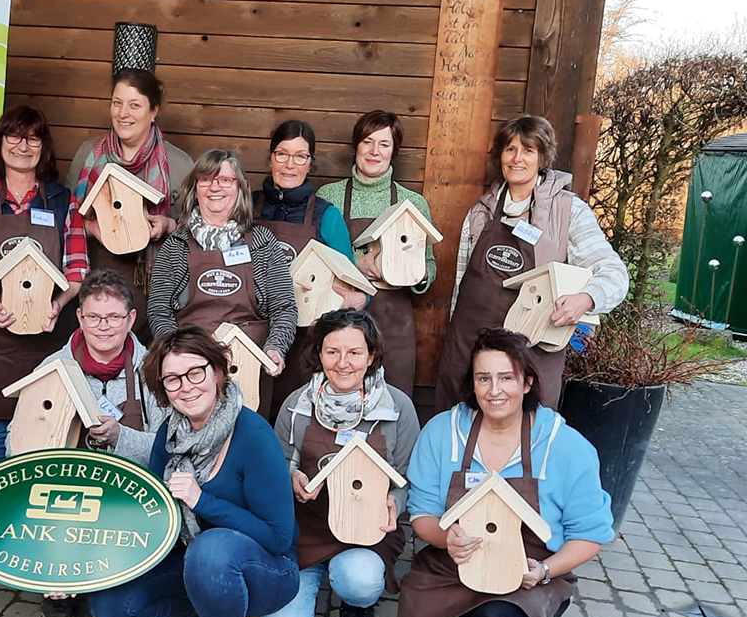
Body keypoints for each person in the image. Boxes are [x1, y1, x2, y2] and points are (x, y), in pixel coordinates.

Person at [88, 327, 298, 617]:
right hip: (196, 564)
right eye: (172, 379)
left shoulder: (253, 435)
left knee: (212, 548)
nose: (185, 387)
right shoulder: (169, 433)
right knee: (111, 606)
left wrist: (203, 501)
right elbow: (154, 520)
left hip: (269, 571)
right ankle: (212, 614)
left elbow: (278, 536)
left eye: (195, 372)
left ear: (218, 372)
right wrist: (75, 572)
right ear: (162, 388)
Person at [396, 329, 613, 617]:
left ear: (528, 382)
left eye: (506, 377)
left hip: (527, 574)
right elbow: (423, 513)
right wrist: (446, 539)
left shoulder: (565, 446)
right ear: (473, 384)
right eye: (484, 378)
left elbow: (591, 533)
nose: (495, 390)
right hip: (451, 568)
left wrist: (545, 571)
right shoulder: (443, 433)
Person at [434, 115, 628, 412]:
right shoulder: (481, 211)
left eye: (528, 150)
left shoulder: (568, 211)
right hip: (469, 346)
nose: (517, 159)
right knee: (458, 429)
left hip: (532, 351)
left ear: (542, 158)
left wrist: (587, 298)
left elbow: (613, 273)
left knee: (523, 433)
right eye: (510, 149)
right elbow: (462, 284)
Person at [10, 268, 167, 617]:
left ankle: (110, 575)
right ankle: (56, 580)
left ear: (130, 319)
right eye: (94, 317)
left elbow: (168, 450)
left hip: (131, 495)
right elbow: (16, 449)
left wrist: (119, 438)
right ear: (79, 317)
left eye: (113, 317)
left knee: (113, 604)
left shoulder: (155, 372)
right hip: (68, 495)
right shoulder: (53, 368)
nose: (103, 326)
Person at [261, 309, 419, 617]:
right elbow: (277, 467)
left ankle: (356, 607)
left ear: (372, 355)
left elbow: (407, 478)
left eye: (354, 352)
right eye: (332, 352)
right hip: (308, 530)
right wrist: (293, 479)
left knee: (360, 580)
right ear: (319, 354)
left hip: (367, 532)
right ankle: (306, 579)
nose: (343, 363)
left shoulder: (397, 409)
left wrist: (397, 502)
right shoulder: (297, 406)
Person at [0, 104, 88, 469]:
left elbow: (77, 270)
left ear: (43, 147)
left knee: (50, 425)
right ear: (0, 142)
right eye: (14, 136)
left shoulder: (63, 201)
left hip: (49, 334)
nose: (22, 146)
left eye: (32, 138)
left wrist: (59, 304)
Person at [148, 149, 297, 416]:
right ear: (195, 188)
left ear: (239, 189)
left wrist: (275, 348)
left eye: (226, 180)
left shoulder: (263, 243)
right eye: (206, 179)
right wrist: (176, 357)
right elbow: (159, 310)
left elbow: (284, 307)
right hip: (191, 375)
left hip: (249, 371)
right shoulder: (175, 247)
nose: (215, 187)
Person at [69, 68, 194, 342]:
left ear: (153, 111)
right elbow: (65, 220)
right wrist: (90, 227)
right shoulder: (88, 155)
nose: (123, 113)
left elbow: (198, 230)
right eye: (117, 103)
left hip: (153, 286)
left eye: (135, 105)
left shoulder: (179, 164)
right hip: (96, 284)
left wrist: (169, 225)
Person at [319, 110, 437, 394]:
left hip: (393, 320)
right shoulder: (328, 196)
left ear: (394, 151)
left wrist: (405, 271)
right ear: (355, 146)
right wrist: (352, 266)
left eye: (384, 144)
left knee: (393, 400)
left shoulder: (413, 202)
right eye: (367, 142)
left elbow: (430, 266)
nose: (374, 152)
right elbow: (315, 260)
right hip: (341, 317)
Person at [254, 119, 366, 415]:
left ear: (310, 163)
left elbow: (356, 288)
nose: (290, 164)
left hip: (303, 344)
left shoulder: (325, 215)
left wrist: (350, 299)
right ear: (271, 157)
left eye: (300, 156)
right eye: (282, 154)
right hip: (252, 338)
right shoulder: (247, 207)